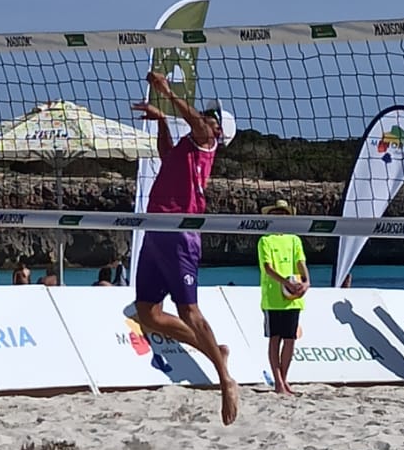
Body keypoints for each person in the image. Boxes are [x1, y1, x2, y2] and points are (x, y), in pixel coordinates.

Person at [131, 68, 239, 425]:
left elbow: (198, 121)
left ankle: (224, 379)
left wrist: (167, 92)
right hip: (157, 229)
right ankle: (215, 353)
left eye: (212, 116)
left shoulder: (206, 139)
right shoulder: (188, 146)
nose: (206, 116)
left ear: (218, 130)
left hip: (179, 233)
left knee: (190, 311)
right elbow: (165, 156)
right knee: (147, 313)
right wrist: (162, 120)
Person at [257, 201, 309, 393]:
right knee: (274, 339)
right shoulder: (265, 240)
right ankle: (278, 381)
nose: (280, 216)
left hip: (293, 298)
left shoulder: (294, 239)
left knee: (290, 339)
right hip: (273, 298)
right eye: (277, 213)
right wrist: (285, 282)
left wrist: (307, 281)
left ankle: (284, 379)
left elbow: (300, 262)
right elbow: (268, 268)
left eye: (283, 213)